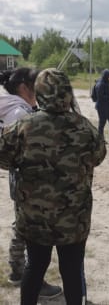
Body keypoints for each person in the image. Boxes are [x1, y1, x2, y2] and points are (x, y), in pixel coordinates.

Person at [0, 68, 107, 305]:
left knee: (35, 266)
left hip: (35, 218)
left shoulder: (23, 126)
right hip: (74, 218)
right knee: (71, 271)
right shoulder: (85, 127)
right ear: (68, 94)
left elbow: (4, 157)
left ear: (39, 94)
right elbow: (98, 156)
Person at [0, 68, 63, 299]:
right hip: (26, 177)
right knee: (30, 227)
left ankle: (17, 270)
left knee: (21, 223)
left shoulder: (11, 105)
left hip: (20, 175)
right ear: (24, 87)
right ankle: (31, 278)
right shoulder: (18, 112)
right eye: (35, 84)